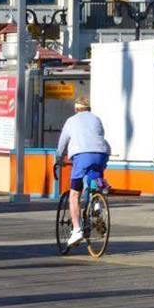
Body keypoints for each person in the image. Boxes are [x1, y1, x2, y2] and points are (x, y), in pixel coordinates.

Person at [55, 98, 111, 245]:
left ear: (76, 109)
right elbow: (99, 136)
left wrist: (58, 159)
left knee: (74, 194)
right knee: (95, 175)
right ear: (89, 109)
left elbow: (62, 143)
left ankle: (77, 230)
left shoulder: (71, 121)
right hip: (102, 153)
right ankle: (97, 200)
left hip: (82, 155)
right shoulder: (97, 119)